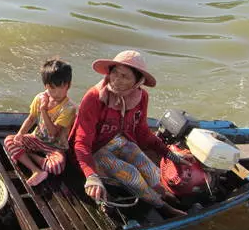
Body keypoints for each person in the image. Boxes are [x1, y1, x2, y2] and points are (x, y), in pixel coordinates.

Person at [69, 50, 187, 218]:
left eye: (125, 77)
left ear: (137, 81)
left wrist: (170, 154)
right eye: (115, 73)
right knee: (131, 174)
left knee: (150, 169)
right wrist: (91, 176)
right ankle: (163, 207)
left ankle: (164, 195)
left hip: (118, 141)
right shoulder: (95, 97)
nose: (117, 80)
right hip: (94, 150)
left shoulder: (141, 97)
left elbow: (143, 132)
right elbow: (81, 143)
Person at [4, 59, 76, 186]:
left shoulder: (69, 108)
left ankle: (28, 155)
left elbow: (53, 133)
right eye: (52, 88)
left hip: (55, 146)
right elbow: (31, 118)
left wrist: (43, 109)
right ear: (46, 86)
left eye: (61, 88)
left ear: (68, 86)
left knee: (57, 167)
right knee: (9, 141)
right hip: (36, 138)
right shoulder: (39, 98)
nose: (56, 93)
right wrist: (20, 134)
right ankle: (36, 170)